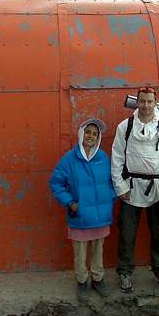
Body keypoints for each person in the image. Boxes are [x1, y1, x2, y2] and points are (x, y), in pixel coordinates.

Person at [111, 87, 159, 293]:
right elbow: (117, 157)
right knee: (127, 234)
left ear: (155, 103)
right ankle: (125, 273)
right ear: (136, 102)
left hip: (157, 189)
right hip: (131, 188)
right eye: (142, 101)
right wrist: (120, 187)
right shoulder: (126, 126)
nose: (146, 105)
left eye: (150, 101)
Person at [50, 118, 116, 302]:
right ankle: (81, 282)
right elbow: (56, 183)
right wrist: (70, 203)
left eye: (95, 134)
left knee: (98, 250)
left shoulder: (103, 157)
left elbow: (113, 181)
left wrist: (109, 198)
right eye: (88, 132)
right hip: (79, 215)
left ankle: (98, 279)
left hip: (101, 216)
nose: (91, 136)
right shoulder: (69, 159)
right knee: (80, 252)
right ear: (81, 134)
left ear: (99, 138)